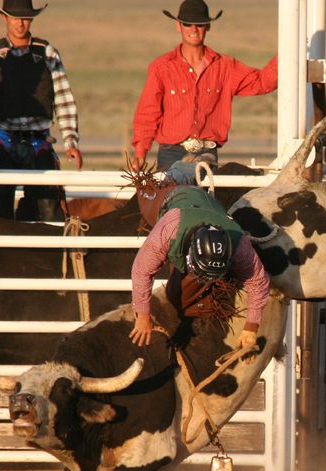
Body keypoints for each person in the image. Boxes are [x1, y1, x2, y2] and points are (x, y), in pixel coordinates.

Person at [131, 0, 278, 171]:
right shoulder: (162, 67)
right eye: (187, 24)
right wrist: (140, 153)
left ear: (208, 26)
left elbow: (261, 82)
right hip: (171, 153)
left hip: (207, 153)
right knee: (171, 195)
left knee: (209, 196)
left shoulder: (225, 67)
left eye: (199, 24)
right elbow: (148, 112)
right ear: (178, 26)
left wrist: (288, 52)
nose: (193, 29)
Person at [0, 0, 82, 222]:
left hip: (39, 140)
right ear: (4, 18)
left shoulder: (47, 53)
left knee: (48, 207)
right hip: (3, 141)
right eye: (15, 18)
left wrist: (71, 142)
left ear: (31, 20)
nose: (20, 24)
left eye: (25, 18)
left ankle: (50, 254)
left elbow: (63, 98)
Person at [129, 183, 269, 355]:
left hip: (207, 209)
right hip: (175, 199)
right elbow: (142, 270)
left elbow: (259, 282)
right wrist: (143, 315)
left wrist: (251, 327)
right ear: (190, 254)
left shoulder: (240, 246)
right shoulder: (168, 230)